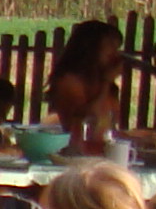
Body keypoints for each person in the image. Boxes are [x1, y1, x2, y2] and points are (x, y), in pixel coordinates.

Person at [45, 20, 125, 155]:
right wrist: (106, 82)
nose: (115, 54)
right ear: (91, 47)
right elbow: (89, 119)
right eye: (110, 46)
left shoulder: (103, 83)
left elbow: (109, 129)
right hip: (78, 154)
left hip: (103, 153)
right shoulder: (69, 81)